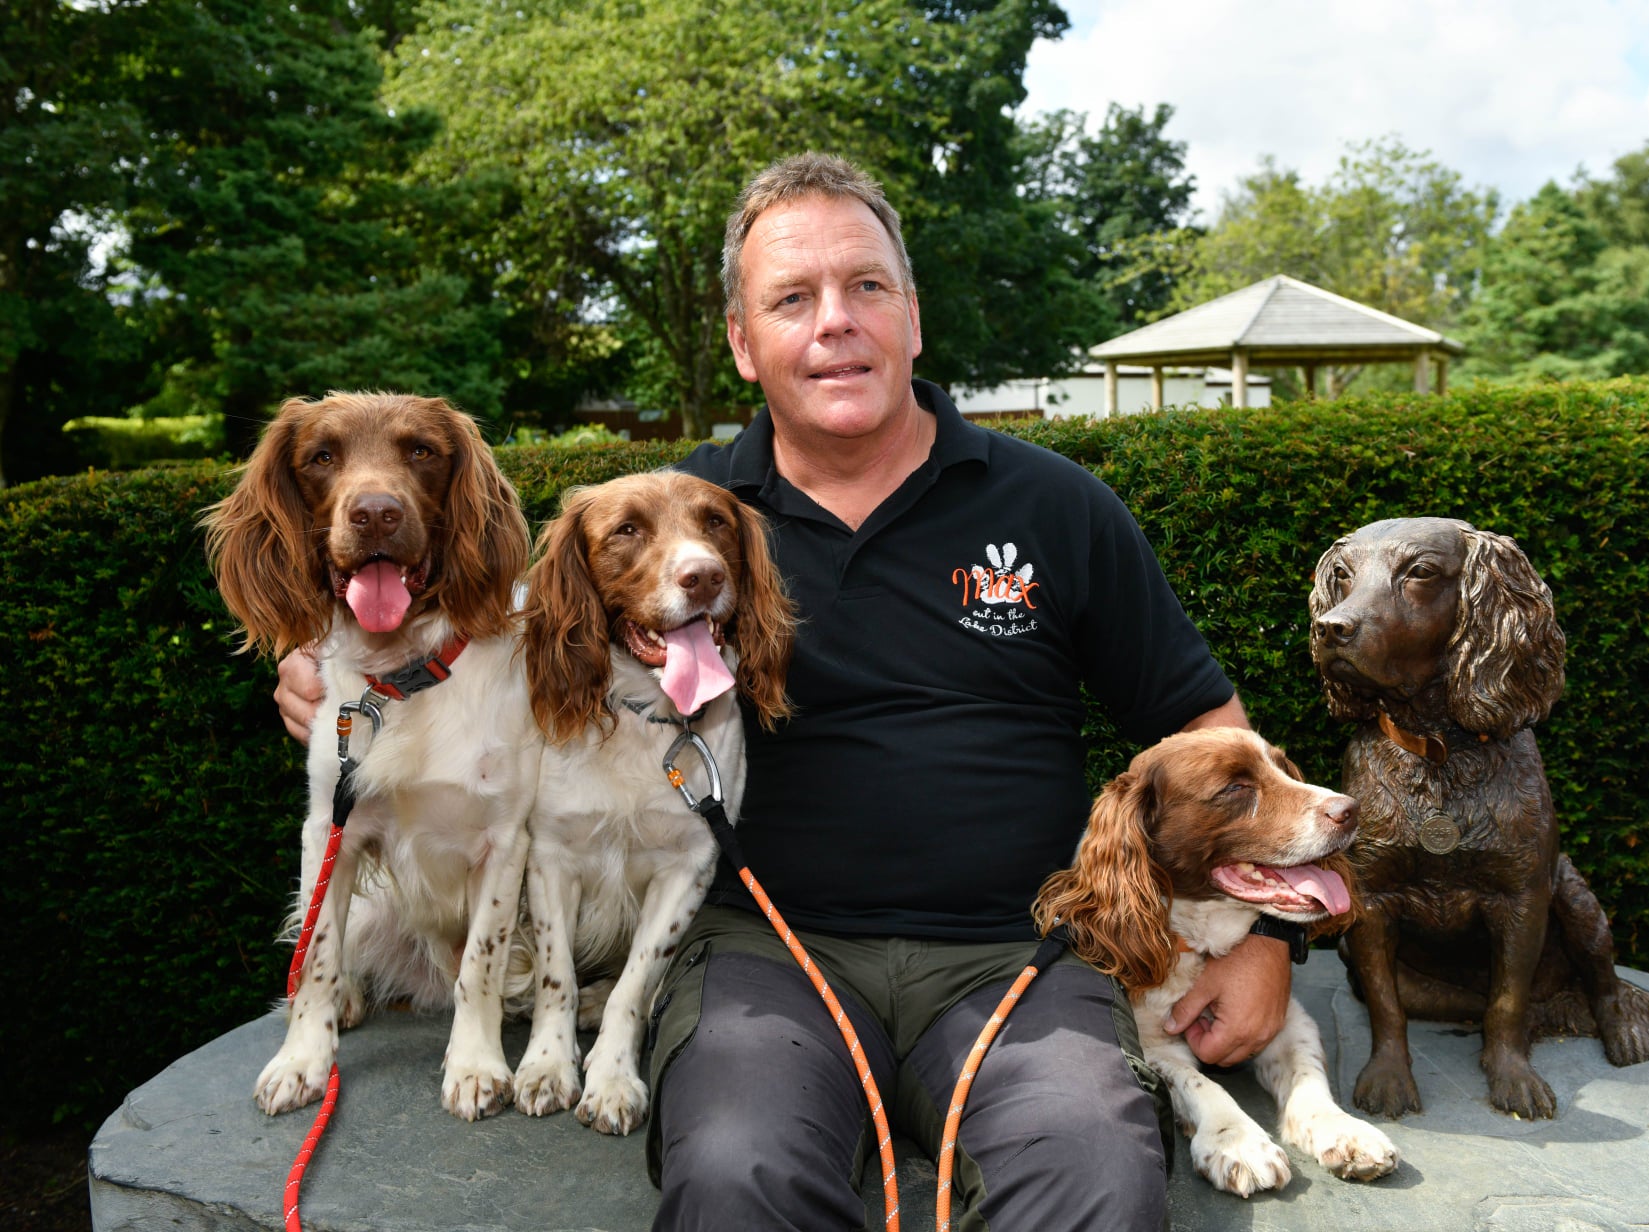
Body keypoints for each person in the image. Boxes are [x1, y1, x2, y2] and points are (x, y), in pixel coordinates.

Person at [274, 153, 1292, 1231]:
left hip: (1019, 949)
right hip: (762, 957)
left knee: (1094, 1171)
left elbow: (1209, 738)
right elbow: (487, 631)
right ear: (740, 343)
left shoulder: (1057, 506)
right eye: (790, 299)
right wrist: (327, 668)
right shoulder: (680, 517)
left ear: (912, 317)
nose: (834, 323)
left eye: (866, 288)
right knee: (733, 1175)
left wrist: (1273, 938)